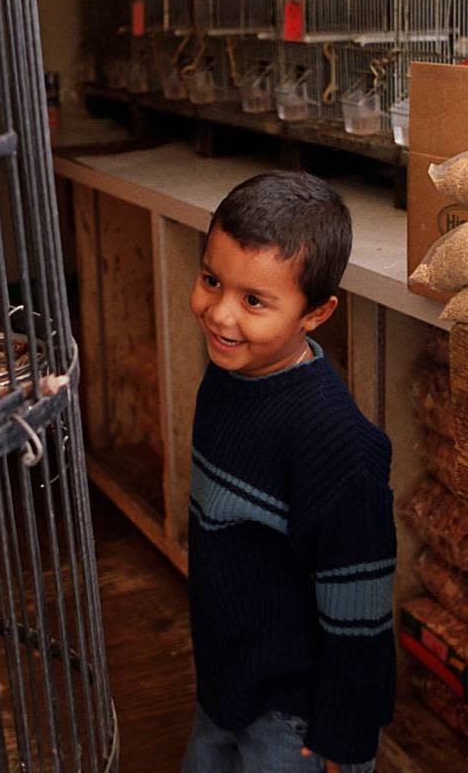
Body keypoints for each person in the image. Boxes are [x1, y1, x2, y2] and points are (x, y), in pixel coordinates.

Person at [182, 171, 396, 773]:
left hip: (293, 719)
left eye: (254, 301)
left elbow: (361, 607)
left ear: (317, 312)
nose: (220, 315)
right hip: (225, 685)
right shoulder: (229, 376)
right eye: (210, 280)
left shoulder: (336, 446)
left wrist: (344, 734)